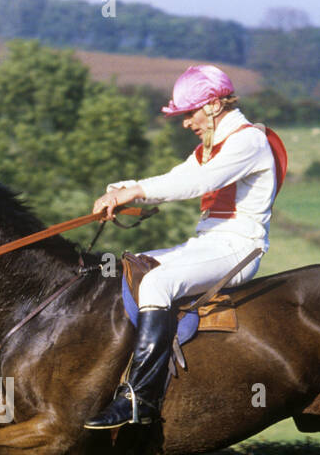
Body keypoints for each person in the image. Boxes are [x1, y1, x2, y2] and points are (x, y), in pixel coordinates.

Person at [84, 64, 285, 430]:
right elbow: (179, 177)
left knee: (158, 284)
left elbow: (198, 183)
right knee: (133, 267)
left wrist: (135, 190)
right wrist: (124, 188)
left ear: (212, 106)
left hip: (240, 248)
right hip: (208, 243)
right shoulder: (210, 146)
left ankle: (139, 399)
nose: (185, 122)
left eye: (188, 113)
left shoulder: (247, 141)